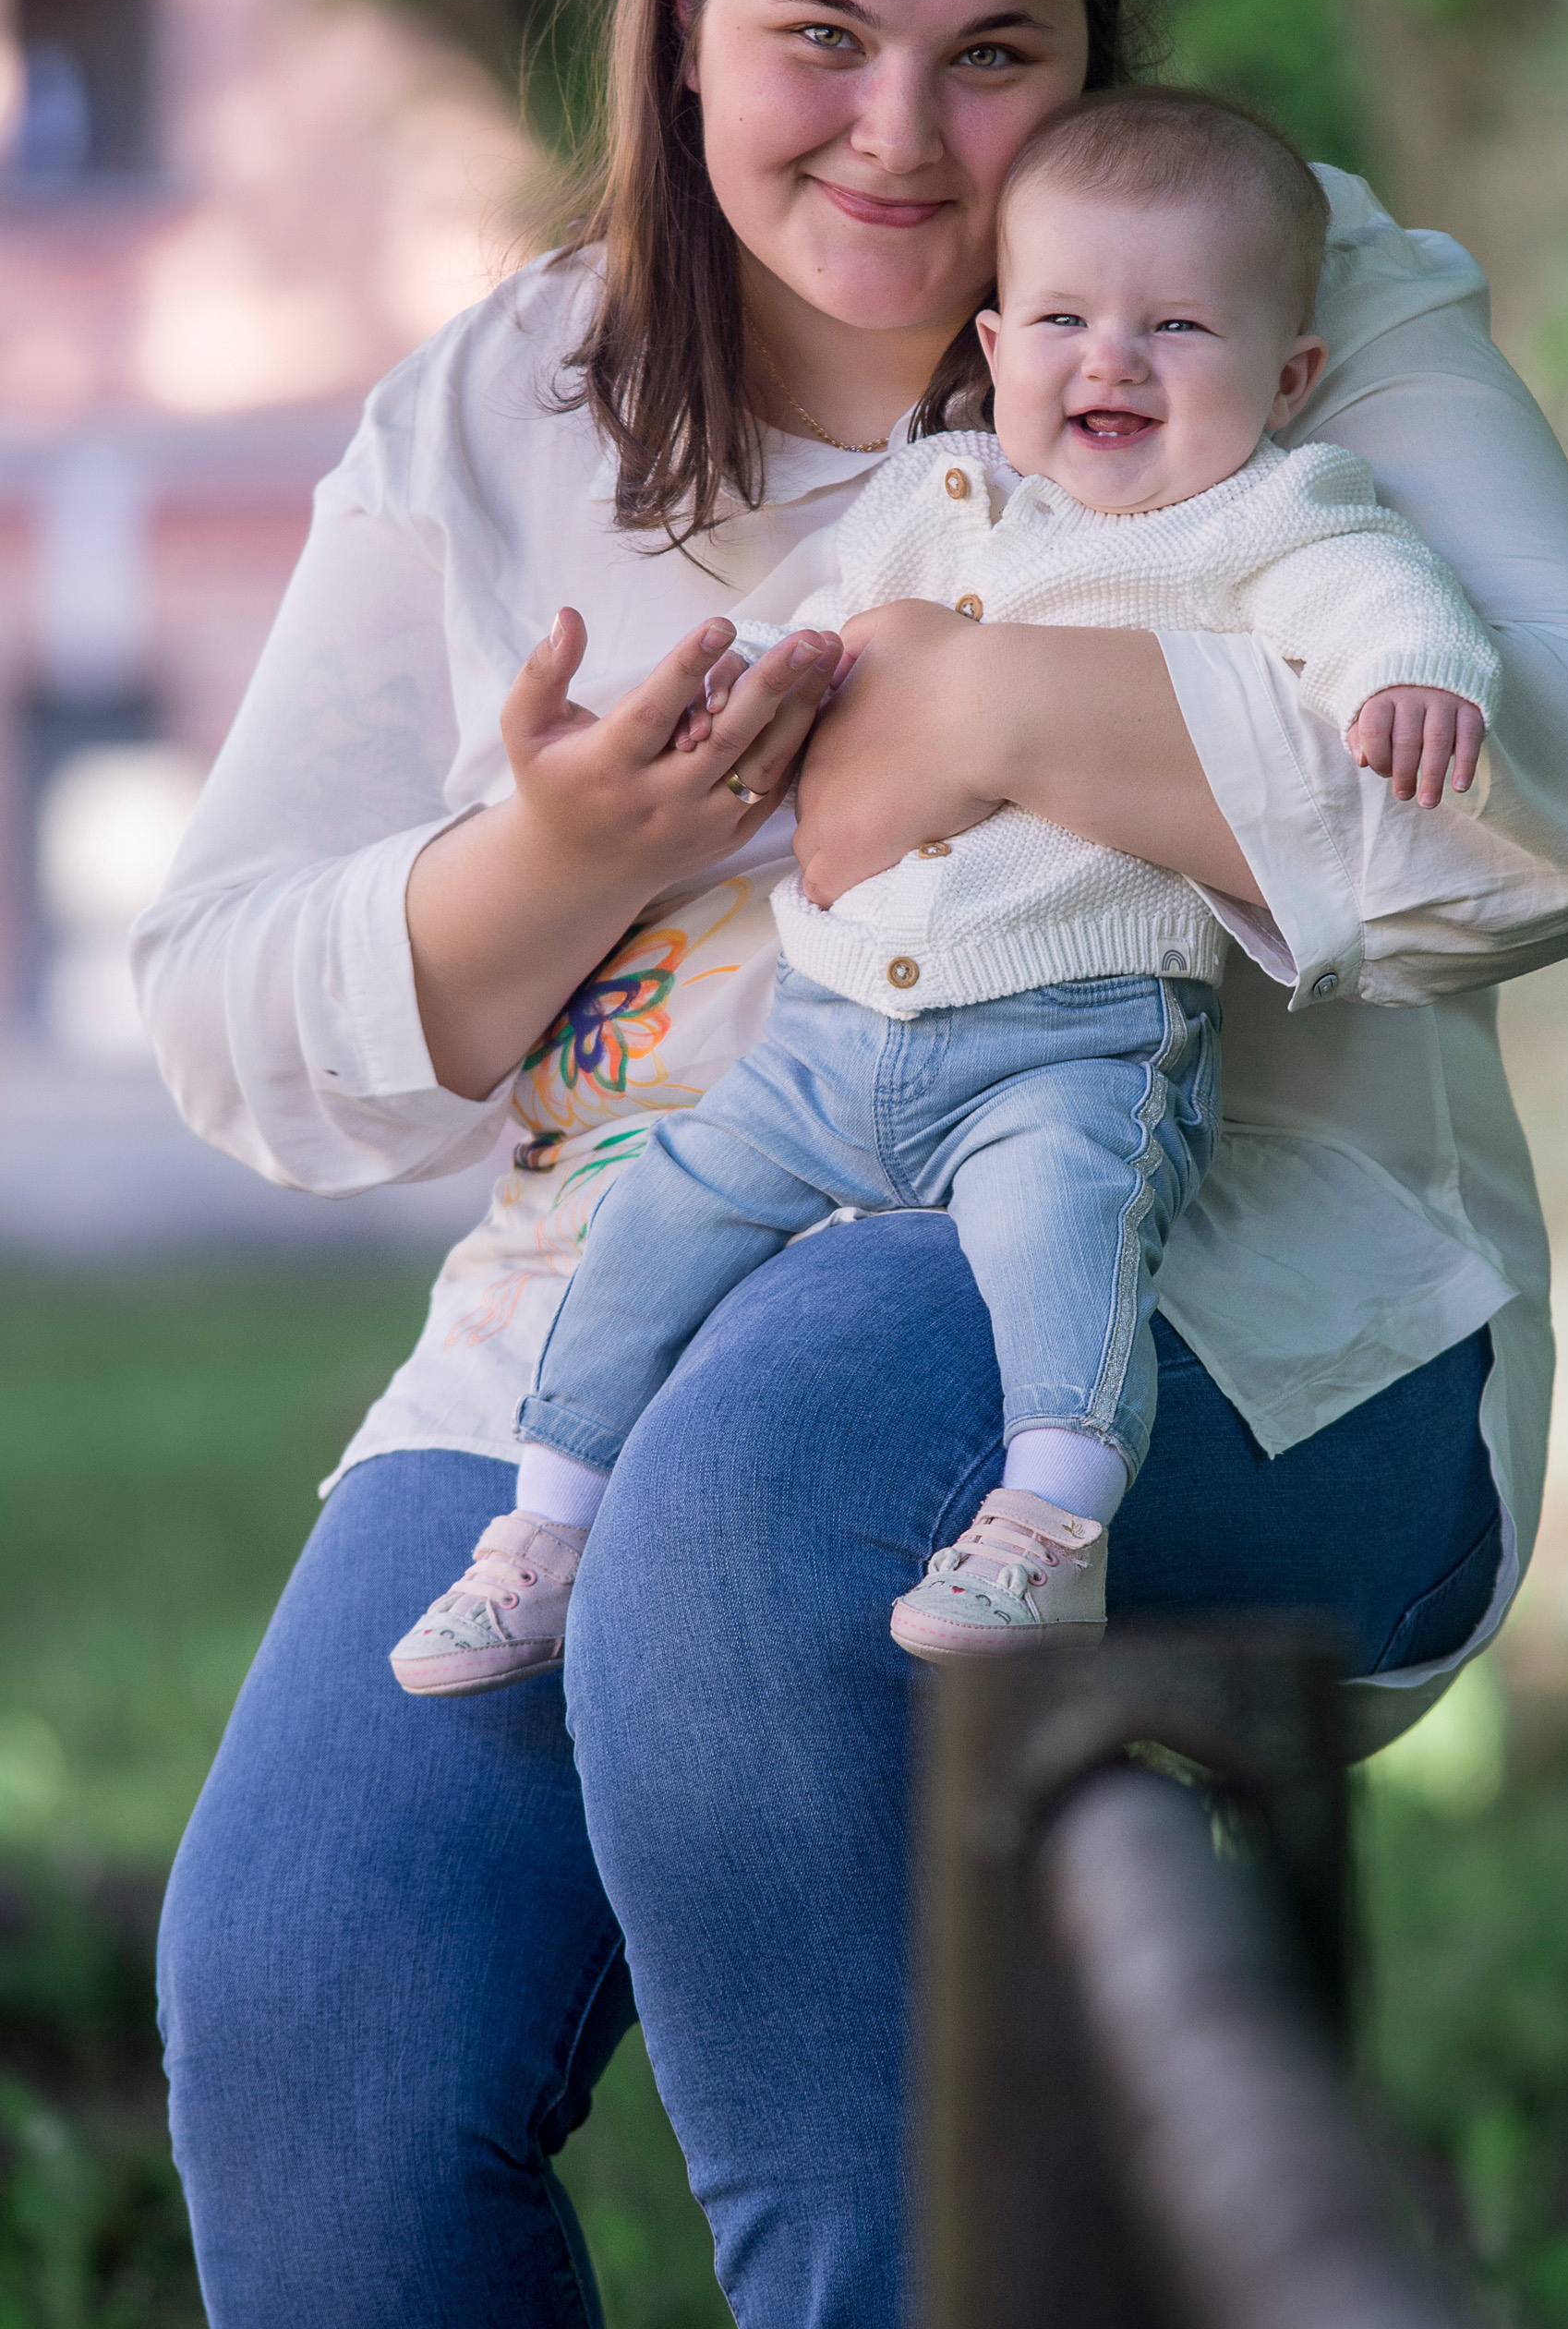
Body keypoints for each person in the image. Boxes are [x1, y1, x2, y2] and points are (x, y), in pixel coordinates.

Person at [135, 0, 1568, 2329]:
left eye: (997, 53)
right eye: (822, 38)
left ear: (1097, 45)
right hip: (591, 1341)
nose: (900, 134)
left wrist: (994, 706)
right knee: (314, 2025)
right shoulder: (510, 404)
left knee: (774, 1489)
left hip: (1236, 1324)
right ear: (682, 16)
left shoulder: (1290, 290)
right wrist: (560, 856)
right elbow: (226, 1017)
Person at [389, 84, 1502, 1694]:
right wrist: (735, 696)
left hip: (1071, 1040)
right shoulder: (940, 493)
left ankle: (1051, 1521)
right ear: (992, 343)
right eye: (1062, 317)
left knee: (1070, 1239)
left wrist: (1415, 676)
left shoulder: (1263, 515)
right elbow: (822, 635)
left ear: (1290, 375)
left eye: (1178, 326)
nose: (1109, 359)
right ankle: (547, 1524)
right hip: (826, 1039)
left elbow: (1379, 589)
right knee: (662, 1216)